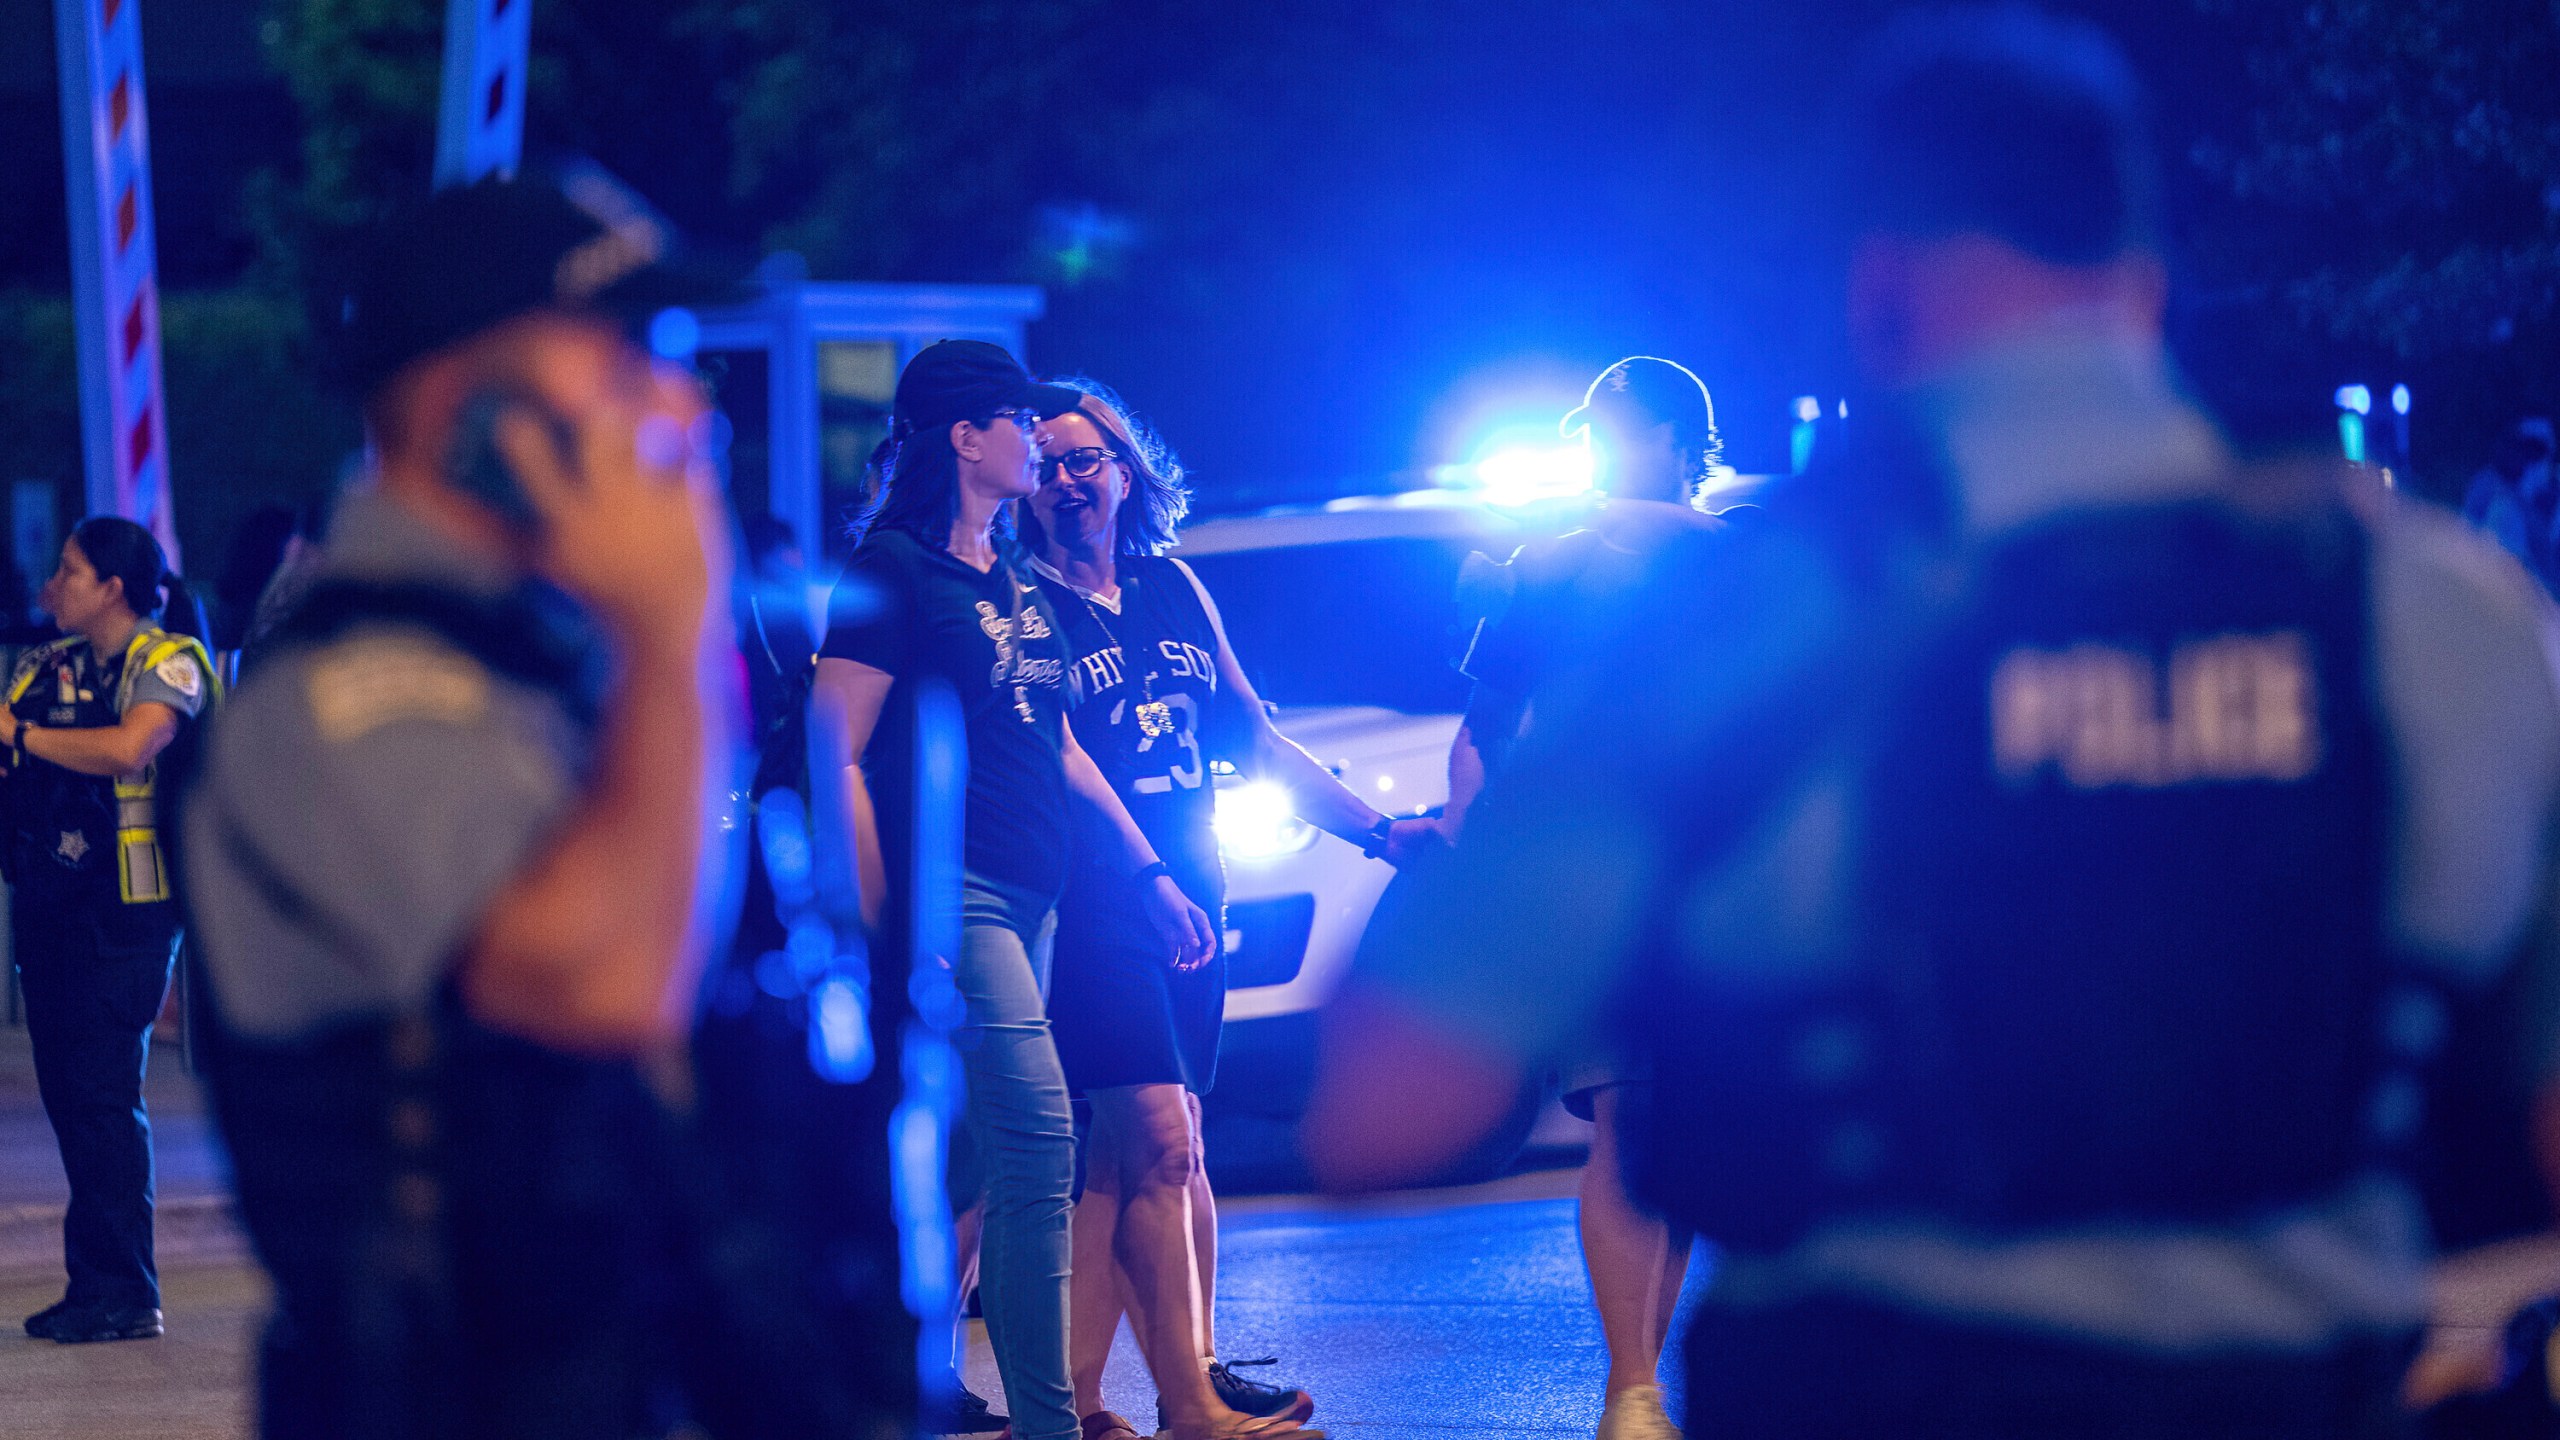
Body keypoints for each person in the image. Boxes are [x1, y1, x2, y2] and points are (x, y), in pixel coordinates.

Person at [1307, 9, 2560, 1438]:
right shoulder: (2434, 613)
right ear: (2145, 286)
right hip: (2302, 1393)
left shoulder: (1740, 614)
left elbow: (1379, 1108)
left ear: (1874, 290)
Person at [180, 176, 791, 1438]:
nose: (677, 403)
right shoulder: (347, 696)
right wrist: (676, 630)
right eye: (625, 359)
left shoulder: (545, 662)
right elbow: (602, 988)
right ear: (472, 412)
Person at [812, 340, 1219, 1440]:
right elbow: (833, 746)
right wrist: (885, 918)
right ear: (965, 436)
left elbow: (1064, 750)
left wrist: (1147, 871)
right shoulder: (893, 571)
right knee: (1044, 1144)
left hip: (1033, 902)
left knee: (967, 1164)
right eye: (1019, 422)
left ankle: (896, 1395)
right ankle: (1053, 1422)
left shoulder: (1005, 573)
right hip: (959, 899)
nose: (1037, 440)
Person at [1023, 382, 1428, 1440]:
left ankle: (1071, 1405)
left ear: (1125, 469)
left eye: (1086, 459)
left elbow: (1252, 737)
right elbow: (1055, 760)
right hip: (1101, 901)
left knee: (1131, 1157)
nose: (1068, 481)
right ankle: (1189, 1405)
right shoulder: (1022, 603)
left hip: (1194, 893)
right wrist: (1146, 873)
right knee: (1162, 1144)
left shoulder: (1173, 587)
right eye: (1048, 465)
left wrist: (1380, 834)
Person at [1435, 355, 1730, 1440]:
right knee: (1621, 1115)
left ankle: (1647, 1376)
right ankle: (1629, 1387)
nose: (1592, 444)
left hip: (1707, 877)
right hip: (1593, 879)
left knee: (1679, 1127)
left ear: (1666, 437)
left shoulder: (1731, 559)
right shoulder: (1548, 564)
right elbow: (1481, 726)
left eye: (1608, 425)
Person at [4, 517, 215, 1344]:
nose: (52, 586)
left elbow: (132, 750)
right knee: (71, 1099)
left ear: (114, 589)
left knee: (101, 1097)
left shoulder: (169, 663)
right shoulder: (47, 666)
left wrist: (19, 735)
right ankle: (96, 1282)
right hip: (53, 904)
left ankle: (126, 1289)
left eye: (69, 571)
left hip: (129, 914)